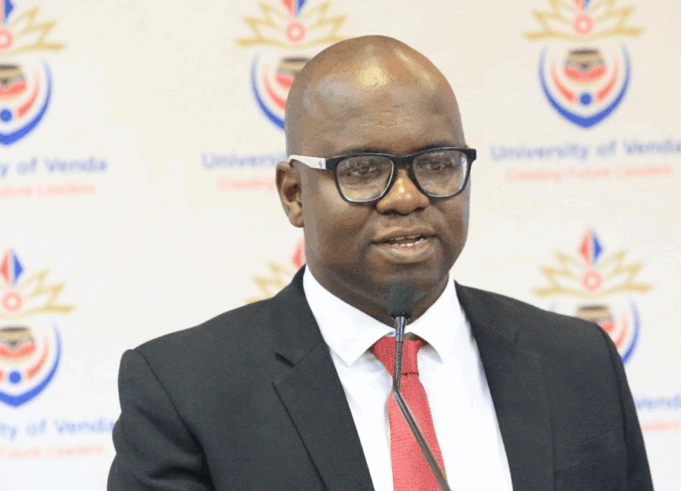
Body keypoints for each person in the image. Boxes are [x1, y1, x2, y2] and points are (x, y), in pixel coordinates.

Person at [108, 35, 653, 491]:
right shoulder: (186, 391)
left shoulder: (577, 362)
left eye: (437, 163)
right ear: (294, 194)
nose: (406, 197)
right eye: (364, 170)